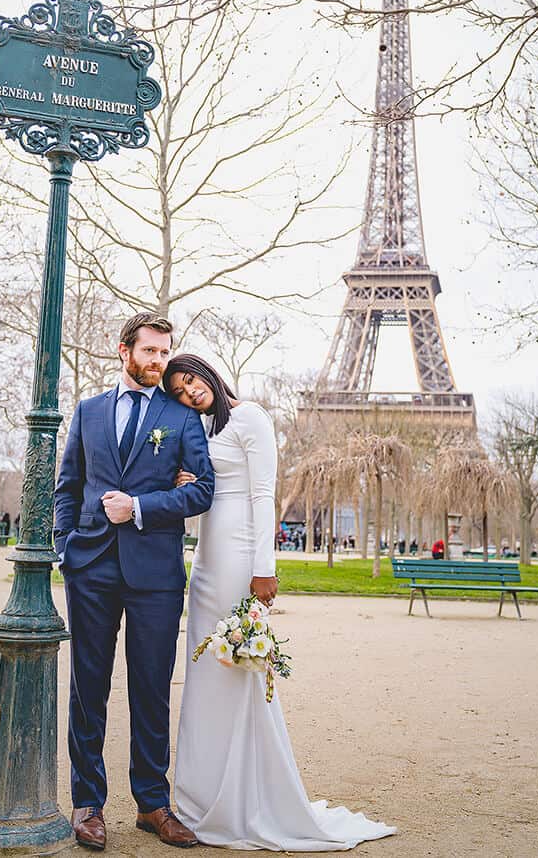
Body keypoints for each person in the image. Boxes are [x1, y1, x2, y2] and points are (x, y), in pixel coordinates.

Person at [165, 353, 396, 851]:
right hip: (206, 562)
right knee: (205, 677)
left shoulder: (250, 417)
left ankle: (246, 798)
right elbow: (206, 490)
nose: (189, 393)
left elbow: (263, 494)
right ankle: (204, 797)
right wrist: (189, 483)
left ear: (207, 372)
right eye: (179, 392)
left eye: (190, 381)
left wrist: (263, 567)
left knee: (236, 674)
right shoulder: (199, 429)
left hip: (239, 557)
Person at [54, 314, 215, 851]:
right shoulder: (89, 411)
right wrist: (65, 548)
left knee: (151, 689)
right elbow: (68, 485)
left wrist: (140, 507)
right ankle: (87, 803)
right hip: (91, 568)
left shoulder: (182, 417)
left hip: (156, 575)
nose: (159, 361)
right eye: (149, 351)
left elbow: (203, 491)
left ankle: (152, 804)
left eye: (165, 352)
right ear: (123, 350)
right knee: (88, 689)